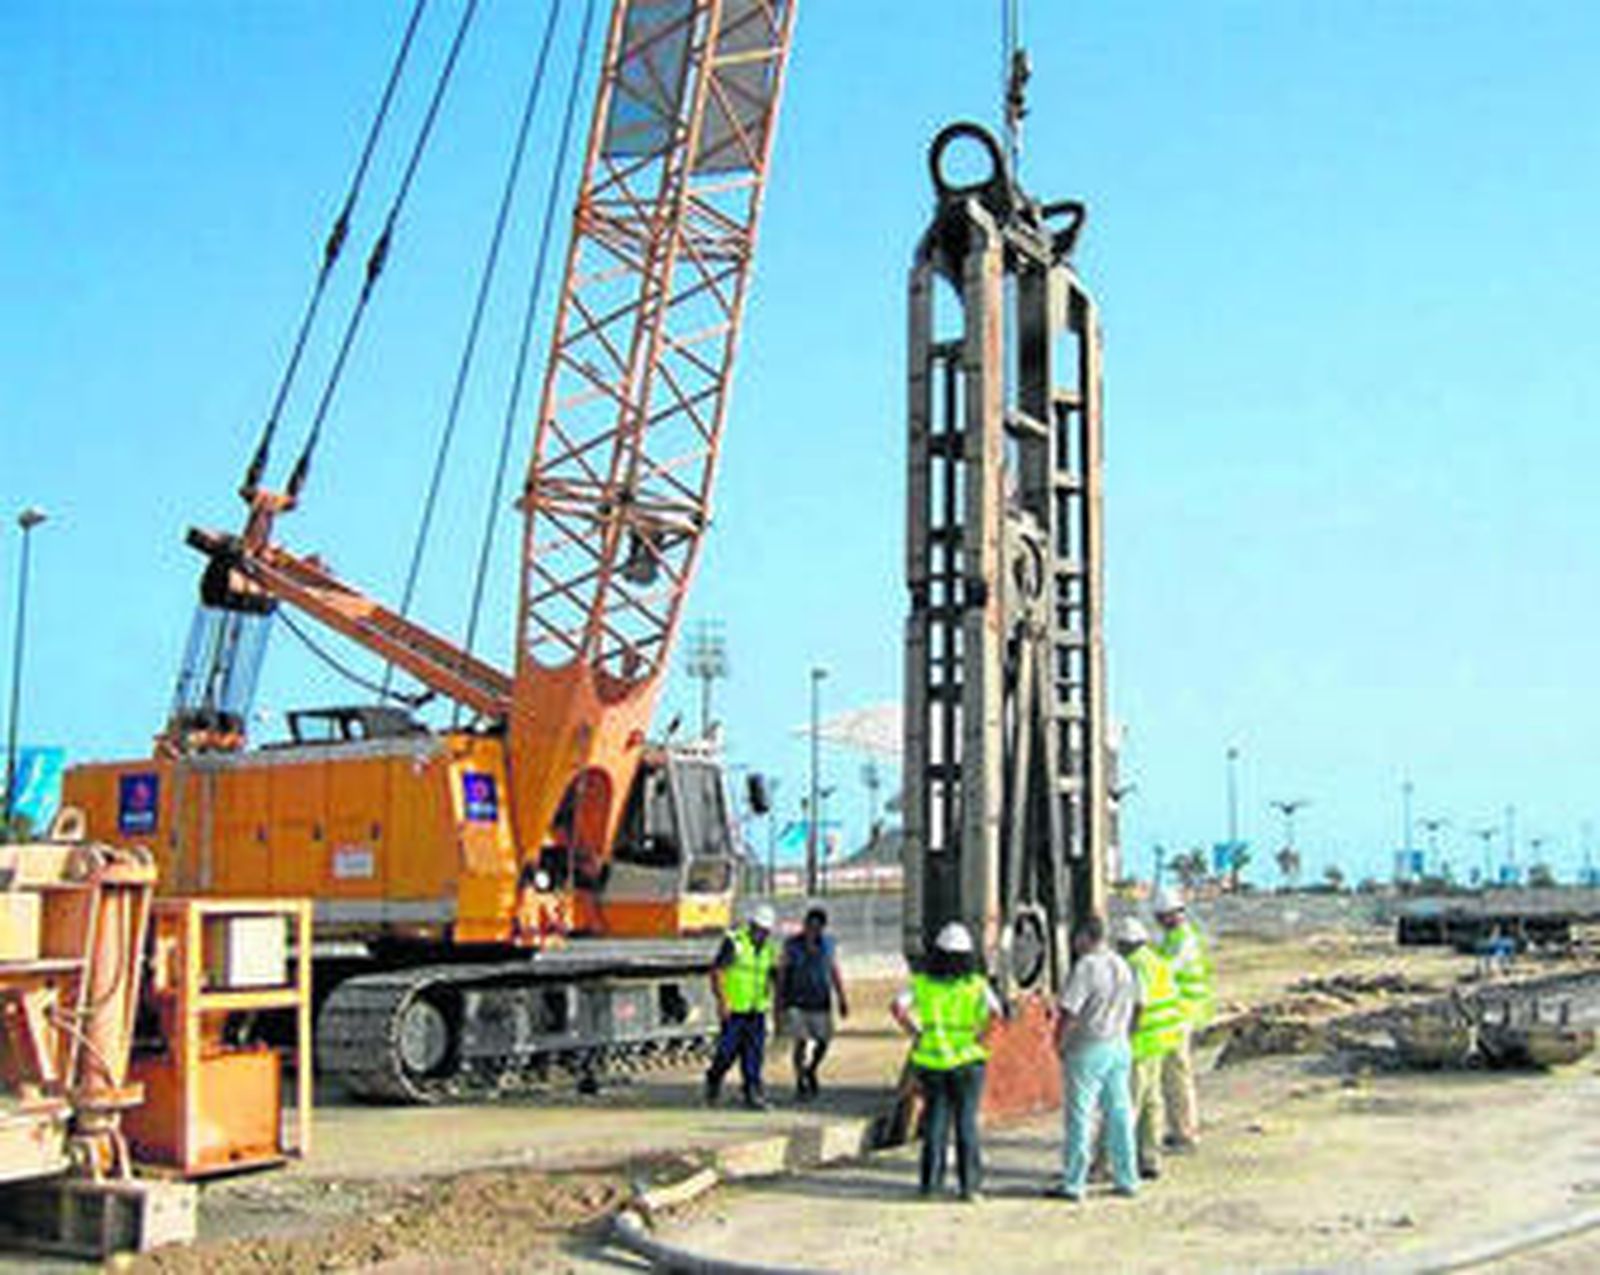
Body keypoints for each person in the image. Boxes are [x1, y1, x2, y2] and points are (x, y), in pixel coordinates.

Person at [891, 921, 1001, 1201]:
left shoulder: (923, 984)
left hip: (933, 1062)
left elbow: (897, 1007)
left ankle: (930, 1186)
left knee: (936, 1124)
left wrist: (916, 1033)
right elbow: (996, 1015)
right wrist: (980, 1038)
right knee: (966, 1124)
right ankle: (970, 1186)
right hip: (968, 1062)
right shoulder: (976, 985)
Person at [1050, 914, 1140, 1201]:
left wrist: (1059, 1042)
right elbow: (1138, 1004)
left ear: (1086, 937)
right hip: (1119, 1044)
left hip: (1089, 1046)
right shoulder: (1122, 965)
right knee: (1120, 1112)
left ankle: (1074, 1182)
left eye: (1076, 938)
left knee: (1080, 1115)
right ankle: (1127, 1177)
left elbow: (1069, 1011)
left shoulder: (1086, 967)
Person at [1115, 916, 1185, 1179]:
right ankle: (1149, 1158)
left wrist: (1125, 1034)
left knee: (1128, 1105)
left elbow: (1140, 1004)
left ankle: (1116, 1163)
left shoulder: (1134, 965)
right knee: (1152, 1104)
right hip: (1160, 1040)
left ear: (1124, 944)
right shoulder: (1156, 961)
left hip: (1140, 1043)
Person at [1153, 885, 1215, 1151]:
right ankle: (1179, 1128)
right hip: (1178, 1014)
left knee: (1177, 1075)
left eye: (1161, 917)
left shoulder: (1182, 941)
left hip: (1180, 1015)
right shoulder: (1175, 938)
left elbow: (1164, 972)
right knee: (1172, 1076)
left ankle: (1185, 1133)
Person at [705, 904, 779, 1110]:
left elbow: (769, 978)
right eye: (760, 930)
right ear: (752, 926)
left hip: (756, 1010)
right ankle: (714, 1078)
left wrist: (772, 1004)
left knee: (754, 1054)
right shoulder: (735, 942)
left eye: (766, 931)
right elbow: (717, 972)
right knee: (727, 1052)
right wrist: (722, 1001)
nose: (763, 934)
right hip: (735, 1010)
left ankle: (752, 1092)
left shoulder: (768, 949)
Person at [777, 906, 850, 1100]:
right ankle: (800, 1080)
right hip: (797, 1001)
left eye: (817, 927)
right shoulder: (792, 945)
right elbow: (783, 974)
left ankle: (812, 1069)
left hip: (820, 1001)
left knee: (824, 1041)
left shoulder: (828, 945)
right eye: (809, 925)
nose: (812, 930)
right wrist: (780, 1002)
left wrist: (842, 997)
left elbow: (834, 971)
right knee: (800, 1042)